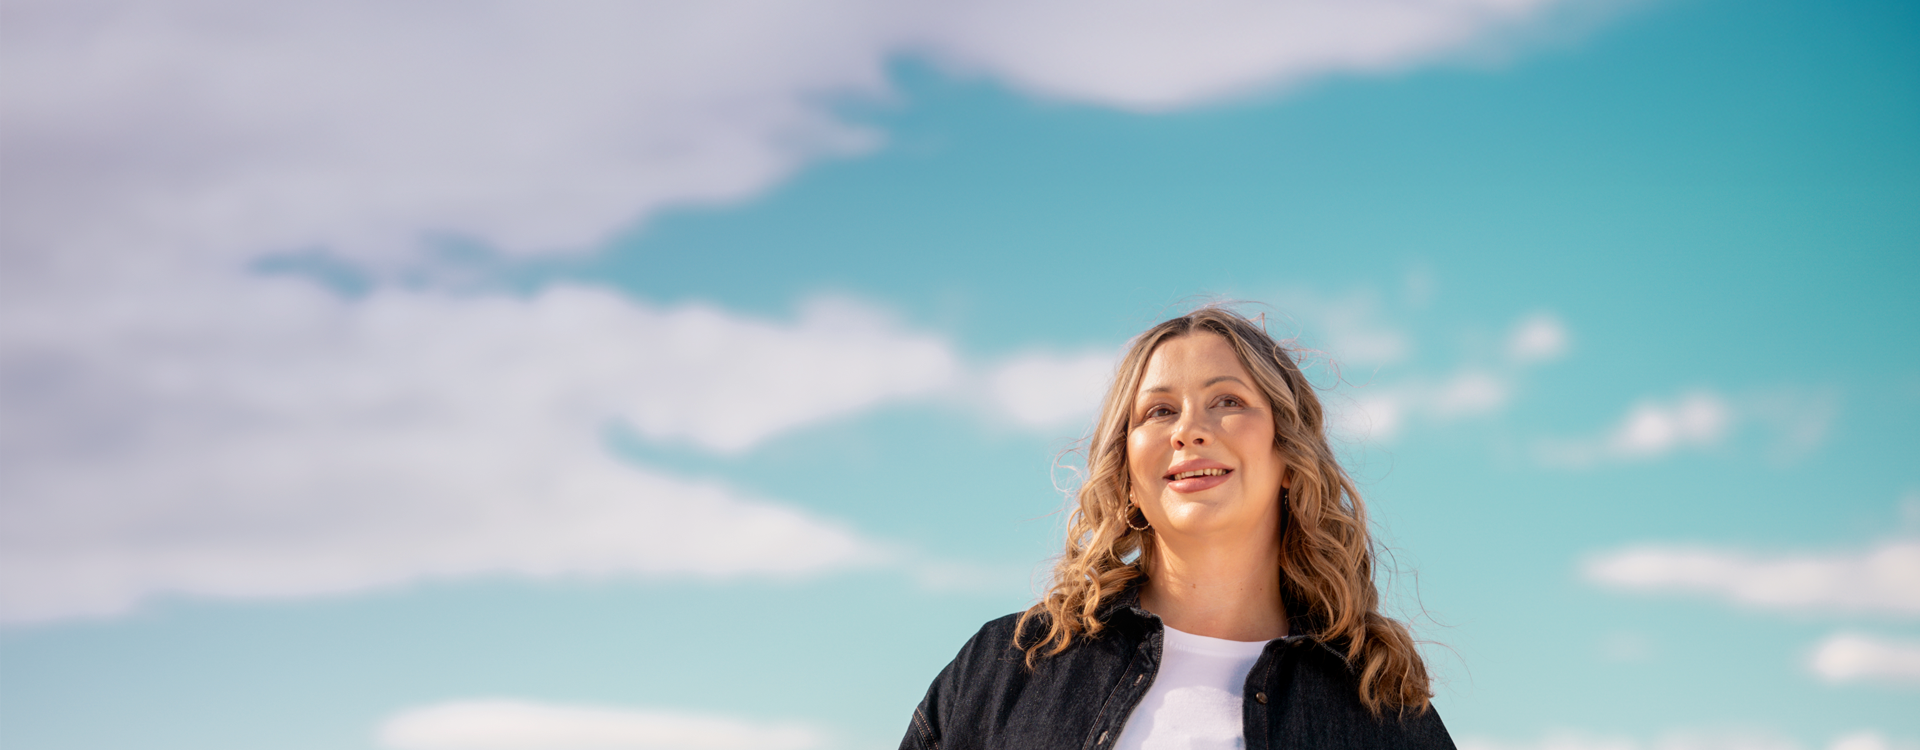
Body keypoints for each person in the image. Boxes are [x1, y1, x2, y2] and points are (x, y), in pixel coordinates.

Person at [900, 306, 1454, 750]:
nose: (1189, 429)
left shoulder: (1383, 707)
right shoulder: (1009, 665)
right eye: (1159, 411)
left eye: (1228, 401)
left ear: (1289, 457)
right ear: (1128, 476)